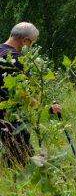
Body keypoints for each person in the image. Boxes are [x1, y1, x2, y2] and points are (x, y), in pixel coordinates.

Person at [0, 22, 62, 167]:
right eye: (32, 43)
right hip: (9, 117)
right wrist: (48, 108)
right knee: (22, 160)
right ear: (25, 40)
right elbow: (23, 95)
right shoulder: (16, 61)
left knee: (13, 156)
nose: (31, 47)